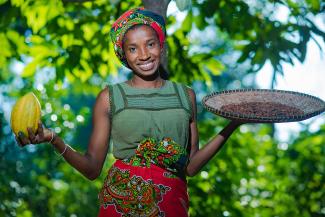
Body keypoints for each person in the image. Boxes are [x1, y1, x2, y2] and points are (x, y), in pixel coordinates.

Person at [16, 7, 243, 217]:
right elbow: (92, 168)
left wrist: (232, 125)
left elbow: (191, 166)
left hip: (172, 203)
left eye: (150, 44)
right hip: (120, 206)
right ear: (124, 55)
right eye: (133, 49)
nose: (143, 55)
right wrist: (53, 139)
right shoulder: (109, 97)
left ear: (161, 45)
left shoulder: (186, 95)